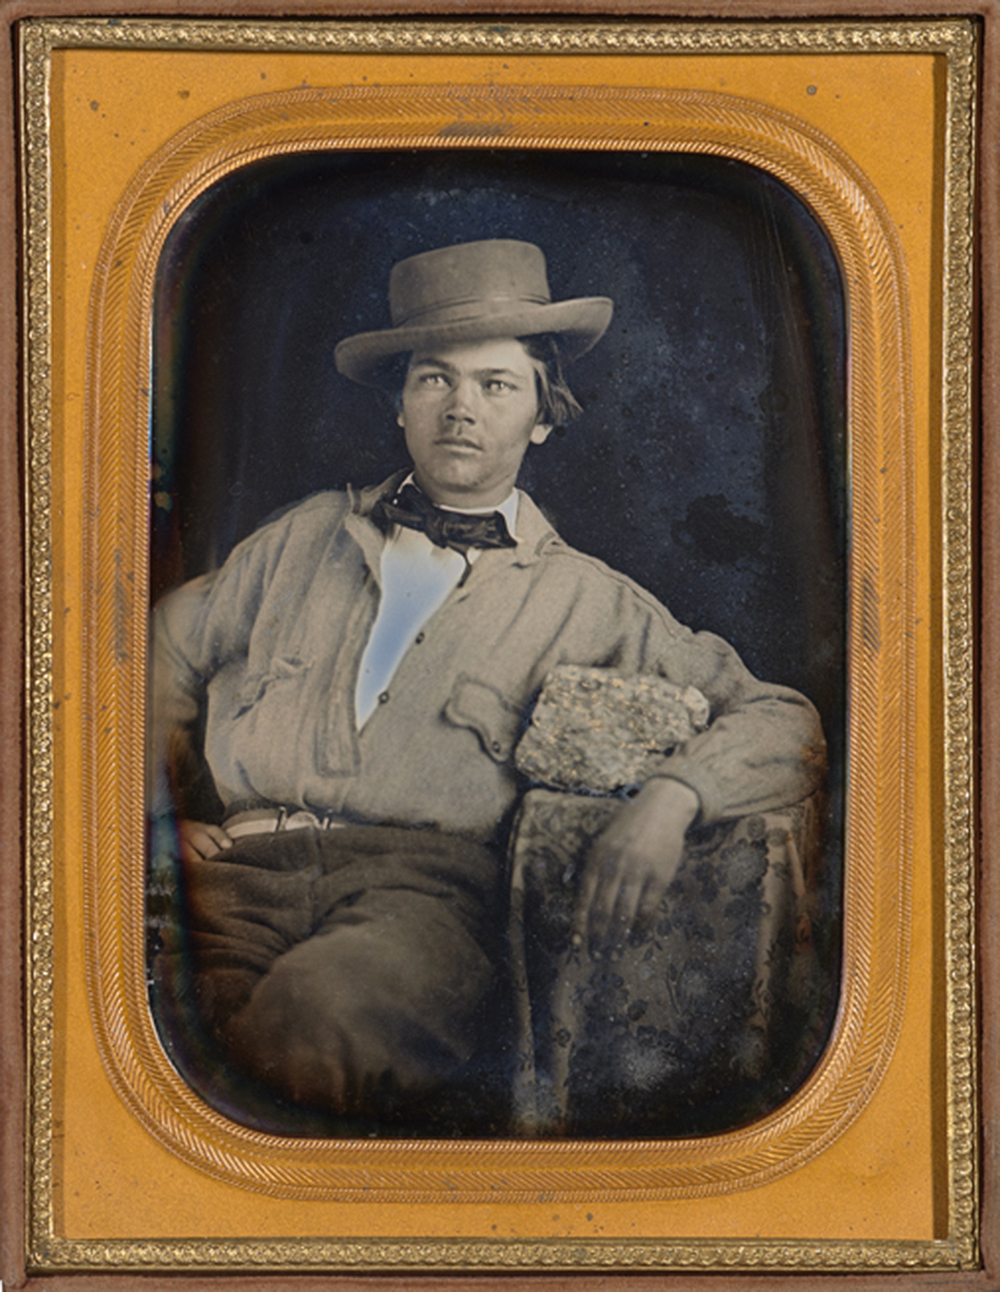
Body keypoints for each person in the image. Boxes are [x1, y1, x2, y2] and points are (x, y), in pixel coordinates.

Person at [150, 239, 825, 1134]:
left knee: (304, 1033)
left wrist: (673, 796)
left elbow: (786, 719)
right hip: (232, 878)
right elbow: (150, 654)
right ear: (399, 404)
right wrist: (153, 816)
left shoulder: (588, 600)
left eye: (496, 385)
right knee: (167, 1060)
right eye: (434, 379)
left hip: (420, 906)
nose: (461, 408)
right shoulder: (299, 540)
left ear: (543, 417)